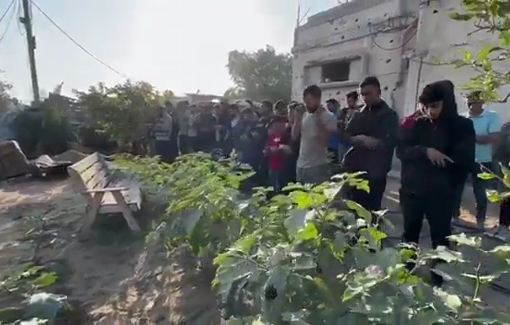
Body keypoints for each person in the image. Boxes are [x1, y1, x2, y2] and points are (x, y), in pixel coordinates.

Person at [397, 80, 475, 249]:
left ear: (446, 103)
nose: (430, 111)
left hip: (442, 195)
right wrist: (425, 151)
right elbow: (402, 150)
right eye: (426, 107)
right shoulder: (419, 124)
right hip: (413, 193)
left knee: (440, 241)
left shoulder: (462, 127)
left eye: (435, 106)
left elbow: (464, 160)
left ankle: (437, 274)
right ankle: (405, 273)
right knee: (409, 238)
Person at [340, 76, 398, 211]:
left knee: (372, 212)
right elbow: (346, 136)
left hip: (376, 173)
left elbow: (392, 141)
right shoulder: (358, 114)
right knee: (353, 210)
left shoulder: (389, 115)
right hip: (355, 170)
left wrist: (376, 143)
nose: (365, 97)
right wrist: (358, 139)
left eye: (369, 93)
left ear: (378, 92)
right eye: (363, 94)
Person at [452, 91, 502, 229]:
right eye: (469, 102)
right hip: (461, 159)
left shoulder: (492, 117)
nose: (471, 105)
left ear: (481, 103)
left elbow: (494, 137)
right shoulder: (462, 117)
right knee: (456, 189)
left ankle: (480, 220)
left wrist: (471, 137)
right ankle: (454, 216)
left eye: (474, 102)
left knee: (480, 192)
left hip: (482, 160)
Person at [292, 85, 337, 184]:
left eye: (309, 102)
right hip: (301, 166)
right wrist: (297, 120)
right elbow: (294, 137)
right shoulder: (304, 115)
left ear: (317, 99)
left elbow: (324, 141)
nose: (306, 105)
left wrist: (317, 118)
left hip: (317, 167)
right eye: (305, 102)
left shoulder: (328, 117)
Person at [264, 116, 291, 192]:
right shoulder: (272, 136)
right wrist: (268, 150)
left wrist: (279, 148)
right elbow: (267, 149)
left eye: (279, 126)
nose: (277, 129)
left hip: (283, 167)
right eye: (275, 126)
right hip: (272, 166)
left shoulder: (287, 137)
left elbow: (289, 150)